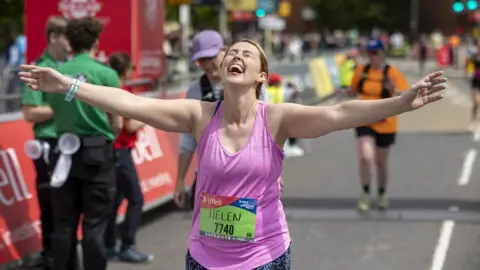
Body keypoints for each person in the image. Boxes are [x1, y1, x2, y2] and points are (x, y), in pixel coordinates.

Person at [19, 38, 447, 270]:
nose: (237, 57)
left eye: (247, 54)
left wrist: (399, 103)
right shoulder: (199, 114)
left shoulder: (277, 119)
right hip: (205, 258)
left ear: (261, 75)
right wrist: (68, 86)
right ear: (223, 70)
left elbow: (338, 112)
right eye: (232, 54)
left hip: (264, 256)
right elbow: (129, 104)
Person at [45, 17, 122, 270]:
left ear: (70, 42)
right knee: (95, 225)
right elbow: (118, 123)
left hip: (63, 153)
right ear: (96, 43)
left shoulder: (56, 74)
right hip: (97, 153)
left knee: (64, 224)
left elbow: (52, 110)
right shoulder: (106, 74)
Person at [20, 16, 69, 270]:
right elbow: (30, 112)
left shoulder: (67, 67)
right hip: (48, 144)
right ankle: (50, 255)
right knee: (50, 202)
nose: (69, 44)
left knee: (67, 205)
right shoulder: (38, 68)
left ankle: (63, 254)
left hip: (69, 142)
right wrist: (62, 107)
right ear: (53, 37)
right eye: (65, 38)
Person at [348, 39, 409, 211]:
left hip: (386, 122)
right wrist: (348, 86)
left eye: (376, 53)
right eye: (370, 53)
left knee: (381, 162)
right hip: (364, 119)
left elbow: (404, 96)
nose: (373, 57)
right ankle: (365, 193)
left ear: (383, 54)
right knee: (365, 156)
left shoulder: (393, 73)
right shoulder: (362, 71)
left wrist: (393, 89)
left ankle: (381, 193)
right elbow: (352, 91)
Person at [103, 52, 153, 263]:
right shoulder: (121, 93)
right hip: (120, 150)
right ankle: (127, 245)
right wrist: (147, 116)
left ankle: (108, 244)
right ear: (125, 71)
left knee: (115, 199)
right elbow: (130, 125)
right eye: (132, 69)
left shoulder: (105, 91)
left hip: (109, 150)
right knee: (135, 198)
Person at [266, 72, 304, 157]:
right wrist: (292, 86)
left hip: (268, 117)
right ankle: (291, 147)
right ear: (276, 82)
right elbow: (295, 92)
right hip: (280, 116)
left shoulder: (266, 91)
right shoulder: (282, 90)